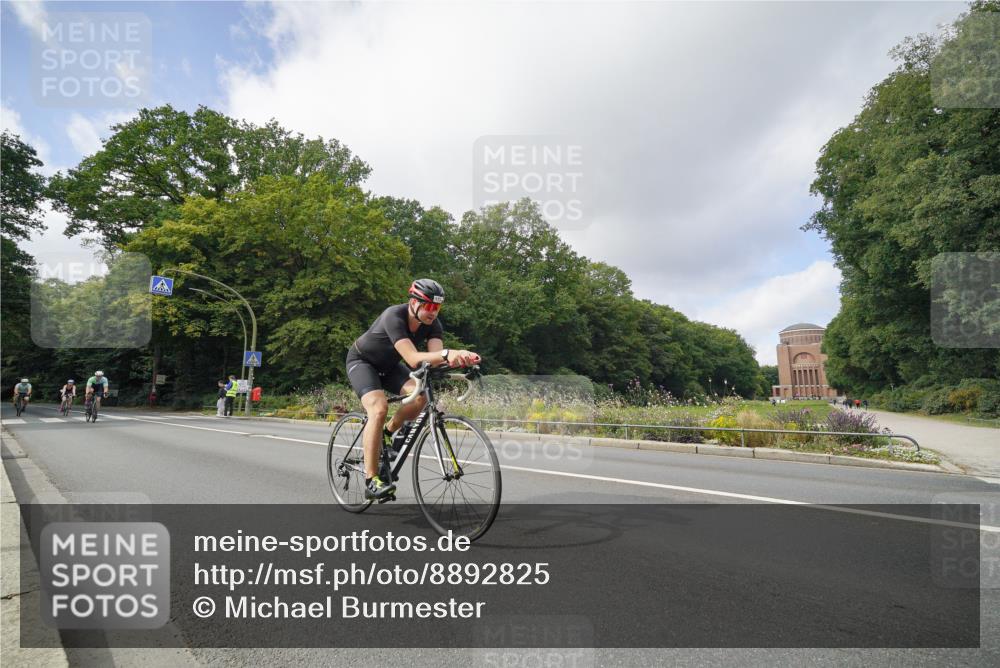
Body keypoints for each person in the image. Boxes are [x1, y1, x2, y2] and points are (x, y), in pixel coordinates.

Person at [346, 279, 480, 500]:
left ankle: (387, 434)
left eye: (437, 307)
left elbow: (435, 361)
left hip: (389, 367)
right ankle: (372, 481)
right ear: (413, 302)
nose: (432, 312)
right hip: (363, 362)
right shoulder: (394, 316)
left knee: (420, 399)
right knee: (378, 409)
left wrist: (461, 360)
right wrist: (448, 353)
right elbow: (412, 358)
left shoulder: (433, 325)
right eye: (428, 306)